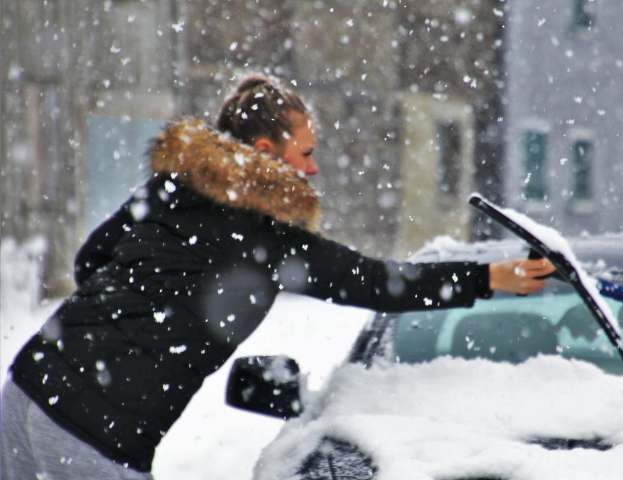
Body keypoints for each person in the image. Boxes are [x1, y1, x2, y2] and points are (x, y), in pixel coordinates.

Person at [1, 74, 555, 479]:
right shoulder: (264, 236)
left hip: (27, 387)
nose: (312, 168)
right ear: (265, 150)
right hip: (95, 432)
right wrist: (490, 279)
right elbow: (374, 280)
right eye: (306, 152)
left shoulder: (171, 189)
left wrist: (143, 306)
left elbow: (90, 262)